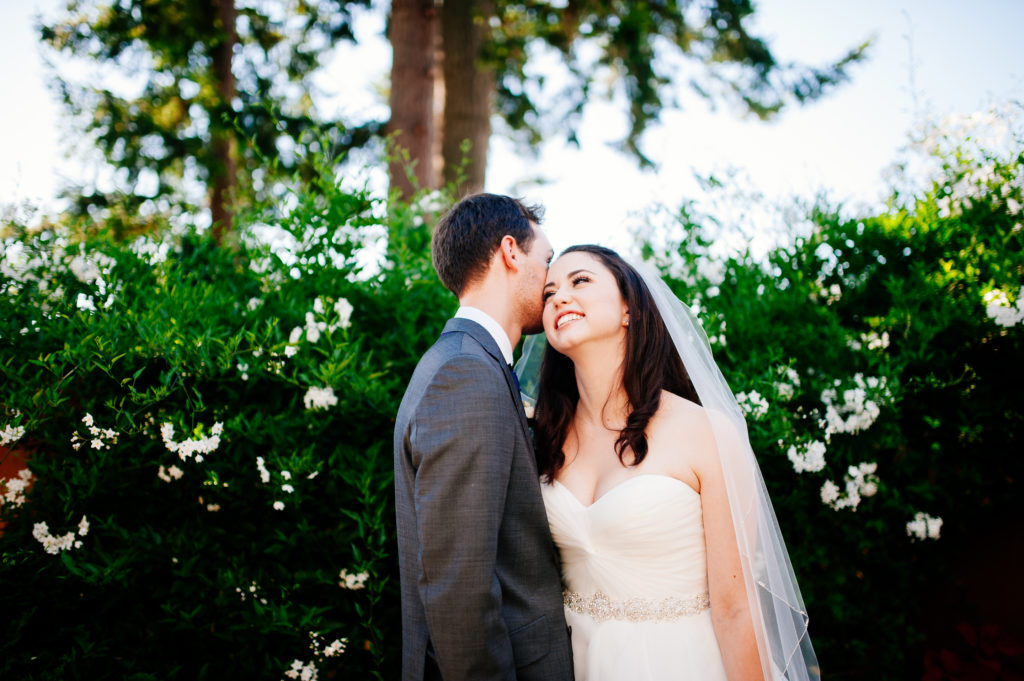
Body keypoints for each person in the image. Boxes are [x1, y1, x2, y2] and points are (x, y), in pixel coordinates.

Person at [522, 245, 818, 681]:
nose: (559, 297)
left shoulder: (705, 431)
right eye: (548, 293)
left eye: (580, 281)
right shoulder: (543, 438)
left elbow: (736, 609)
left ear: (630, 309)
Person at [393, 193, 575, 681]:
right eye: (548, 261)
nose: (554, 283)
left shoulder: (466, 362)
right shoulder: (466, 374)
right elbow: (459, 587)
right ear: (511, 251)